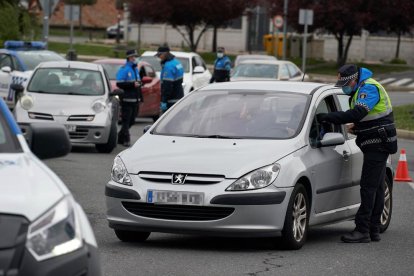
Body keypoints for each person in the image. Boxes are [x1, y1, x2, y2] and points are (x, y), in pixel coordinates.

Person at [317, 64, 398, 243]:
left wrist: (327, 117)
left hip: (378, 143)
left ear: (354, 79)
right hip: (376, 142)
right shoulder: (361, 87)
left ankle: (362, 230)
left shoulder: (369, 88)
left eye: (346, 83)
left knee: (368, 188)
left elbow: (358, 112)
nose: (345, 87)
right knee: (375, 187)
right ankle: (373, 230)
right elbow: (370, 117)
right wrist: (358, 126)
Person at [116, 49, 142, 147]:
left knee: (132, 121)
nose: (135, 59)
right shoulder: (124, 69)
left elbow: (138, 83)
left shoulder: (135, 69)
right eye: (133, 57)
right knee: (126, 121)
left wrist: (140, 97)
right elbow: (119, 83)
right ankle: (126, 139)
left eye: (135, 57)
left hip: (135, 99)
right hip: (127, 99)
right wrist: (132, 84)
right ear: (129, 58)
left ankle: (119, 137)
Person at [155, 45, 184, 112]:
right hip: (179, 96)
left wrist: (164, 100)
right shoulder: (177, 62)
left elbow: (167, 86)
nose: (159, 57)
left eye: (159, 55)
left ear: (165, 54)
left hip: (171, 100)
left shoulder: (168, 66)